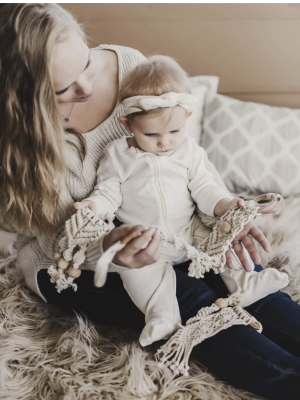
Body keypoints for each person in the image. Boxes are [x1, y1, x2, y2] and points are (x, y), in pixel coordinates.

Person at [1, 4, 300, 399]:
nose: (87, 88)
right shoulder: (22, 147)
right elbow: (63, 236)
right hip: (73, 262)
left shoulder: (129, 66)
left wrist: (223, 220)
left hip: (173, 231)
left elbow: (181, 160)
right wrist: (111, 247)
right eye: (63, 89)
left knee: (235, 269)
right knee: (188, 296)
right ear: (26, 97)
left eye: (87, 65)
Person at [74, 55, 288, 347]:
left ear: (186, 119)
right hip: (151, 242)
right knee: (137, 272)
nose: (165, 142)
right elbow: (108, 192)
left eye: (174, 131)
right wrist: (93, 206)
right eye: (151, 134)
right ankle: (161, 316)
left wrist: (225, 204)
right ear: (127, 124)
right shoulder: (117, 155)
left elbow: (204, 186)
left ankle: (247, 283)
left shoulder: (189, 150)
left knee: (222, 243)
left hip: (190, 231)